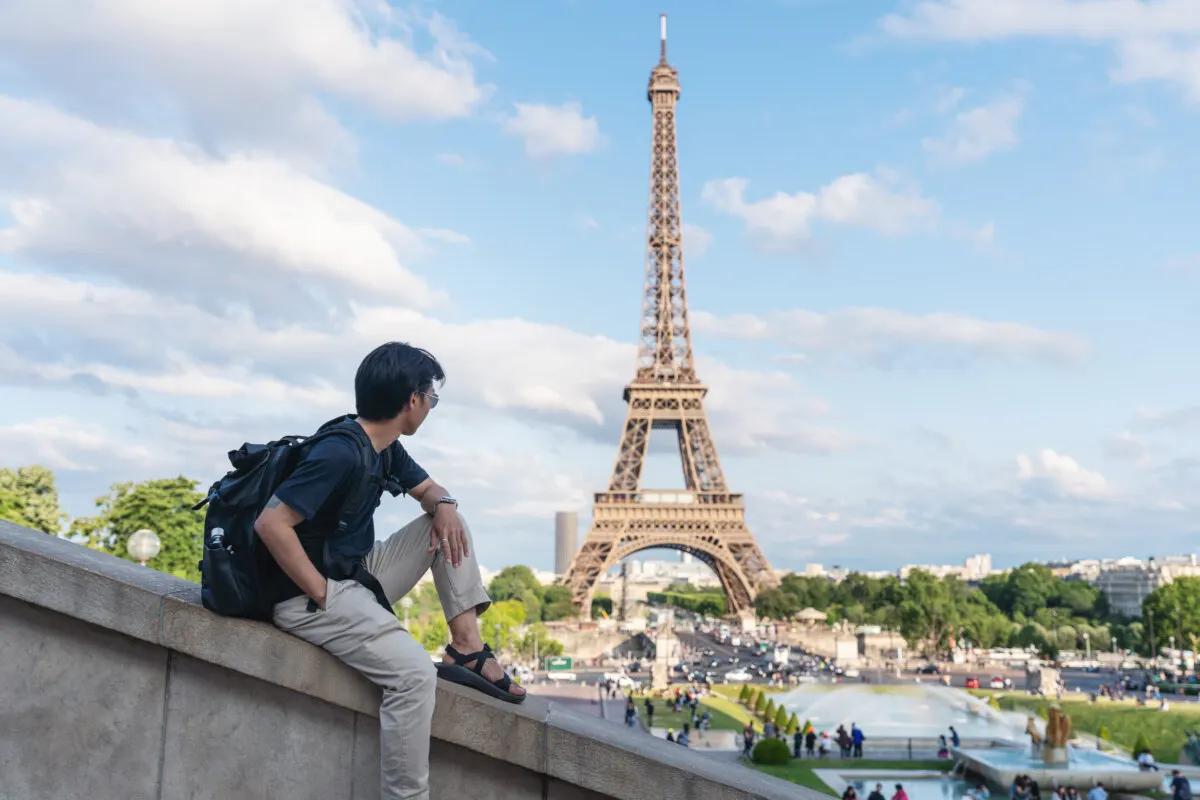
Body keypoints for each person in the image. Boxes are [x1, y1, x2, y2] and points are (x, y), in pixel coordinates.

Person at [256, 342, 525, 800]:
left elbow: (430, 491)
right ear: (412, 401)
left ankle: (467, 647)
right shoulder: (340, 452)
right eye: (431, 399)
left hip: (354, 573)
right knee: (414, 677)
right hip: (306, 595)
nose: (431, 407)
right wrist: (323, 594)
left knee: (447, 523)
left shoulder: (384, 447)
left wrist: (443, 504)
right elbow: (271, 523)